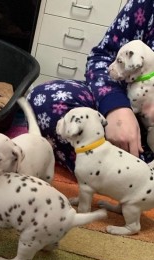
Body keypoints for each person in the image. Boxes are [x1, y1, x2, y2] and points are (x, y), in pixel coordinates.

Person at [27, 0, 154, 172]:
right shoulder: (147, 5)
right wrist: (116, 107)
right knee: (43, 101)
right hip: (118, 111)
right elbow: (101, 57)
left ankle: (124, 178)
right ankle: (130, 178)